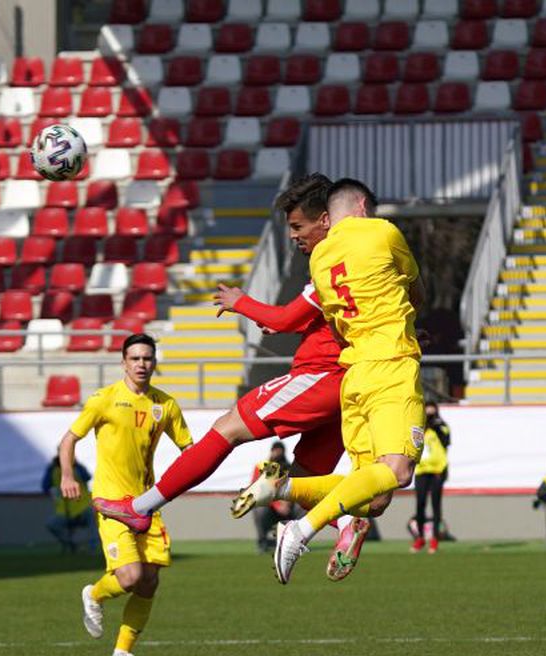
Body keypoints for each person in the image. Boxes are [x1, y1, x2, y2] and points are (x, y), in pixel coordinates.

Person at [90, 173, 371, 581]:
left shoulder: (331, 259)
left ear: (325, 221)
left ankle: (140, 508)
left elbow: (291, 314)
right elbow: (322, 315)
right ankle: (347, 524)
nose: (294, 237)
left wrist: (243, 302)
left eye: (297, 227)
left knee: (227, 429)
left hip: (322, 376)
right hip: (352, 384)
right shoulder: (363, 258)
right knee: (304, 482)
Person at [241, 178, 425, 584]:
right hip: (391, 364)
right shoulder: (383, 231)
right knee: (397, 472)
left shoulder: (320, 261)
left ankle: (282, 487)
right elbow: (414, 289)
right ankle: (300, 529)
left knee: (372, 498)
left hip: (353, 376)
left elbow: (332, 321)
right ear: (362, 206)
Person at [59, 333, 193, 656]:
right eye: (135, 358)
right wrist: (66, 475)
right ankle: (94, 594)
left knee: (149, 582)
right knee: (130, 577)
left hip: (147, 504)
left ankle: (122, 652)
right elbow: (68, 440)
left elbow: (190, 451)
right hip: (111, 505)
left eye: (147, 358)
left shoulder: (165, 405)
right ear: (123, 363)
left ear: (155, 362)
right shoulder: (103, 400)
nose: (142, 364)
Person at [412, 400, 450, 554]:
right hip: (421, 470)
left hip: (436, 471)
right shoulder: (419, 428)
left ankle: (434, 539)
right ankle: (420, 538)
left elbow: (447, 441)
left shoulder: (440, 427)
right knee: (420, 504)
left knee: (436, 506)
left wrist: (436, 425)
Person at [41, 454, 93, 553]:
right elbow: (45, 487)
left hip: (83, 508)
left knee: (94, 520)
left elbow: (87, 477)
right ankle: (72, 545)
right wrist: (50, 468)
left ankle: (93, 549)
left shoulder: (77, 468)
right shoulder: (54, 470)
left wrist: (76, 464)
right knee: (52, 525)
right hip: (64, 511)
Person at [253, 441, 296, 553]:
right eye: (275, 451)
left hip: (289, 507)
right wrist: (278, 505)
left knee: (303, 508)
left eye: (280, 451)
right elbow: (258, 491)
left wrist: (288, 504)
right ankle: (263, 542)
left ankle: (298, 542)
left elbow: (296, 487)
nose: (277, 454)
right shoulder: (261, 467)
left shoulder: (290, 468)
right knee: (259, 508)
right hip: (271, 507)